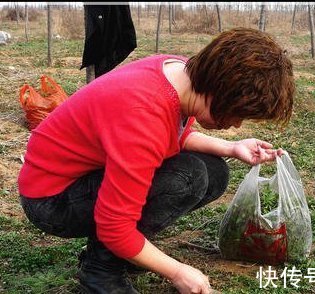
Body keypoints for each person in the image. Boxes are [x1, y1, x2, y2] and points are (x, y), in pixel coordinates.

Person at [18, 28, 294, 294]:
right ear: (218, 88)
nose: (235, 124)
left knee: (214, 171)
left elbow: (173, 135)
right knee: (188, 176)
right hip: (51, 198)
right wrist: (177, 271)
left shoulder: (181, 74)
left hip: (83, 173)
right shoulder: (144, 114)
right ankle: (100, 271)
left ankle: (128, 255)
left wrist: (231, 147)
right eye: (236, 114)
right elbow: (114, 227)